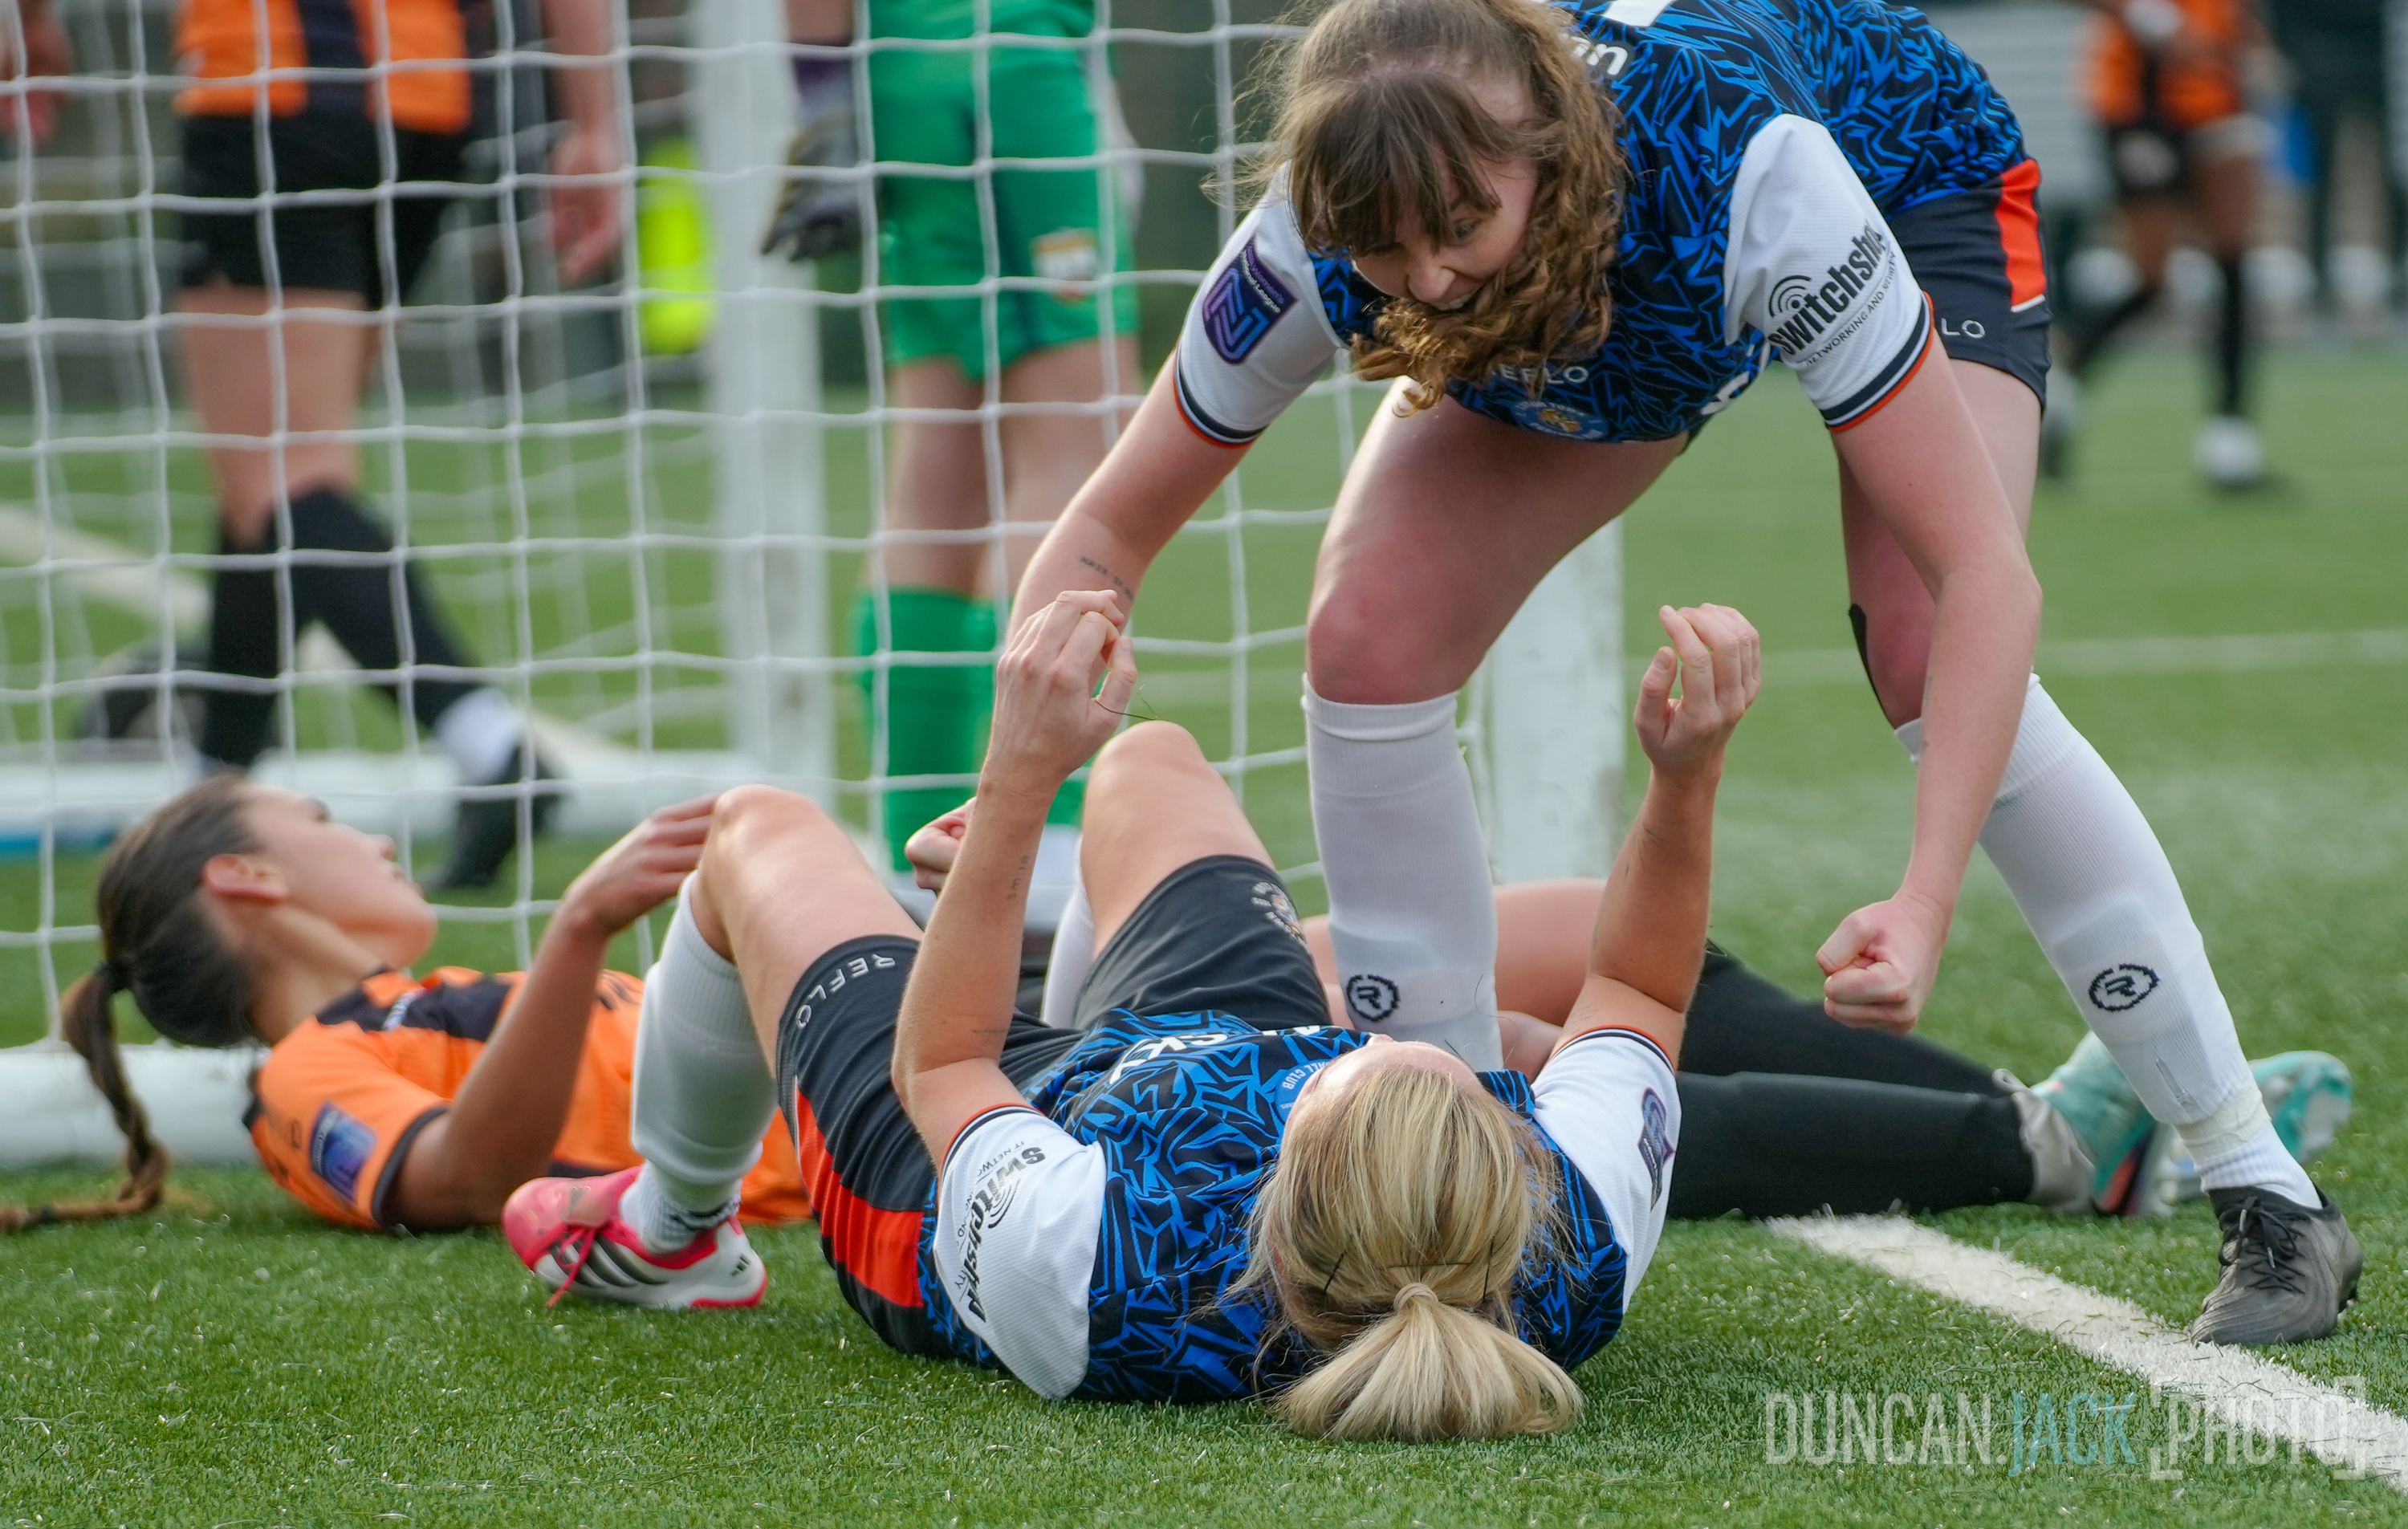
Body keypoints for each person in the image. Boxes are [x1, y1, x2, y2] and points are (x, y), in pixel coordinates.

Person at [1003, 0, 2359, 1344]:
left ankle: (2266, 1192)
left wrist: (1926, 896)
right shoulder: (1320, 225)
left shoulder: (1748, 172)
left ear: (1546, 154)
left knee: (1917, 641)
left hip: (1899, 183)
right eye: (1383, 248)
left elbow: (1983, 580)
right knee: (1368, 633)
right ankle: (1457, 1172)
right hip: (1615, 297)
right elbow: (1115, 521)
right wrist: (1014, 767)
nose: (1424, 281)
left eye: (1457, 227)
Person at [498, 595, 1753, 1438]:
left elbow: (945, 1065)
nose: (1370, 1034)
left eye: (1360, 1060)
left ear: (1283, 1158)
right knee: (1151, 761)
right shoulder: (1573, 1223)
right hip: (1161, 1074)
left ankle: (674, 1231)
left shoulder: (1088, 1256)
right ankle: (1050, 944)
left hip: (943, 1173)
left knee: (755, 831)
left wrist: (1014, 789)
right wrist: (1688, 776)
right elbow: (1638, 990)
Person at [0, 0, 627, 888]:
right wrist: (595, 122)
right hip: (432, 103)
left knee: (283, 478)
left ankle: (489, 745)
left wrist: (29, 22)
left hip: (273, 90)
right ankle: (210, 795)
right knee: (265, 484)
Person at [0, 779, 812, 1255]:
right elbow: (463, 1179)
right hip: (841, 1144)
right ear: (248, 875)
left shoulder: (432, 1001)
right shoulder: (301, 1077)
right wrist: (580, 925)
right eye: (321, 819)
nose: (382, 842)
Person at [765, 0, 1140, 875]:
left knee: (937, 471)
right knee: (1073, 451)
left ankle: (913, 837)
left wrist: (823, 96)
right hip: (1017, 74)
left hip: (899, 85)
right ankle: (1047, 836)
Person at [2044, 0, 2272, 487]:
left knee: (2234, 264)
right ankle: (2058, 388)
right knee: (2152, 279)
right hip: (2141, 102)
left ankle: (2231, 443)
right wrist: (2153, 18)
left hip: (2217, 88)